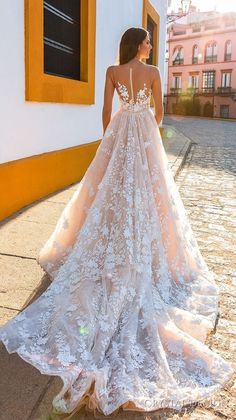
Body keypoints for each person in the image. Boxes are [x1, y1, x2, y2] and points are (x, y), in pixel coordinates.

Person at [0, 27, 234, 419]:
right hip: (142, 135)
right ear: (139, 45)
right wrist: (147, 131)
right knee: (150, 196)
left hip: (120, 133)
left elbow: (105, 113)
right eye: (147, 41)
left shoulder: (111, 71)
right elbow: (160, 113)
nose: (150, 46)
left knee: (110, 194)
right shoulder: (154, 73)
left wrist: (111, 136)